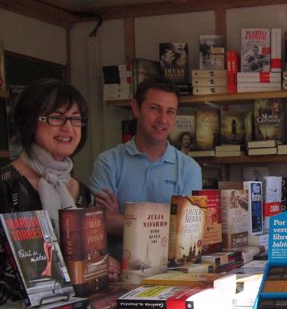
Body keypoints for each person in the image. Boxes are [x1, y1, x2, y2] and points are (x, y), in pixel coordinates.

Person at [0, 79, 120, 296]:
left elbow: (90, 262)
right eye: (56, 118)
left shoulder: (83, 194)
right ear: (30, 121)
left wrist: (100, 265)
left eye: (76, 119)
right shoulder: (6, 185)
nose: (68, 128)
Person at [90, 76, 202, 260]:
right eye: (155, 109)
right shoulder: (108, 162)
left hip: (172, 273)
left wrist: (121, 218)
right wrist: (168, 219)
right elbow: (98, 224)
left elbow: (185, 231)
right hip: (120, 276)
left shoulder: (189, 168)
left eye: (170, 112)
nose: (163, 119)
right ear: (135, 107)